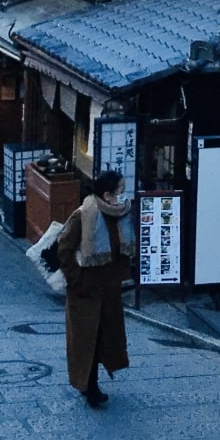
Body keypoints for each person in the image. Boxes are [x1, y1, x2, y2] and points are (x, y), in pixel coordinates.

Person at [57, 170, 135, 407]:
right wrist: (76, 279)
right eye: (118, 193)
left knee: (104, 338)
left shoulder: (120, 215)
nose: (122, 198)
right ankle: (89, 386)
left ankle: (90, 382)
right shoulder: (85, 215)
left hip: (109, 289)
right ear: (106, 194)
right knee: (85, 339)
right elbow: (64, 249)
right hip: (85, 290)